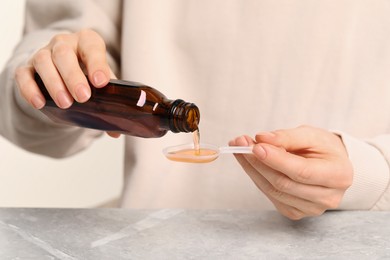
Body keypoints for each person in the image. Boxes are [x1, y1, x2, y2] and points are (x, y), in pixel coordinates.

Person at [1, 0, 389, 220]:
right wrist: (47, 82)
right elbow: (59, 39)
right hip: (158, 235)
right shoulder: (152, 108)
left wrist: (371, 172)